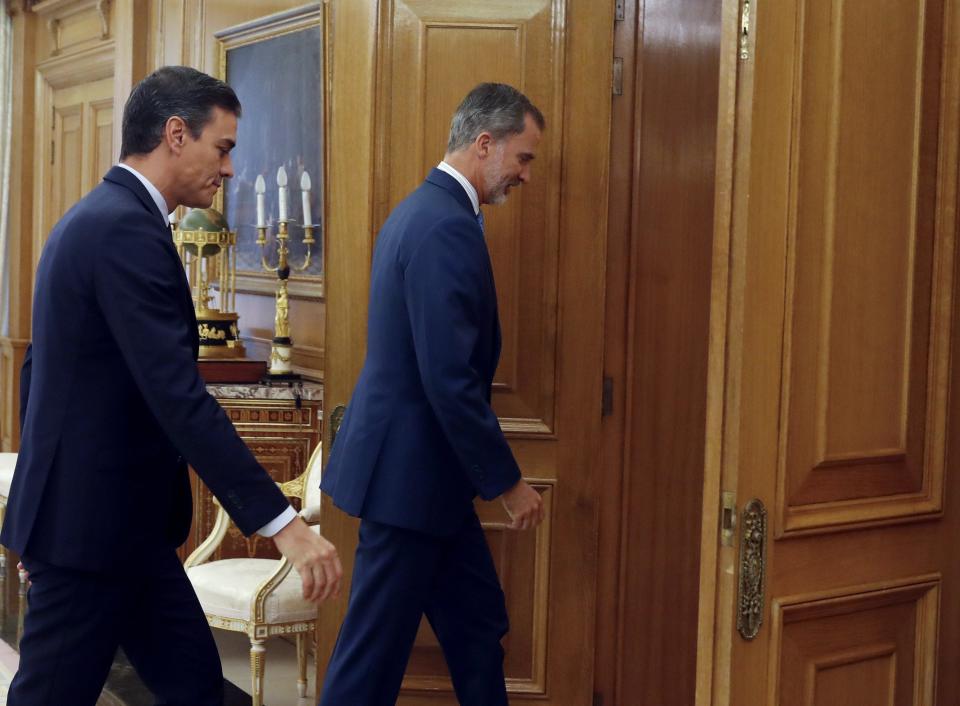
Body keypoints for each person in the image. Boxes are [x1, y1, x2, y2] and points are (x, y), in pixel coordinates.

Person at [1, 66, 342, 705]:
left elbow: (39, 376)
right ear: (176, 134)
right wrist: (284, 525)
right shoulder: (123, 230)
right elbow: (178, 398)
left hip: (120, 532)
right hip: (91, 539)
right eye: (225, 147)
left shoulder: (100, 218)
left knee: (196, 691)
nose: (231, 168)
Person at [318, 83, 546, 706]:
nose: (525, 175)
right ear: (484, 143)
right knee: (369, 662)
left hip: (427, 484)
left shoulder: (429, 212)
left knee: (478, 629)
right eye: (522, 158)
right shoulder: (443, 225)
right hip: (409, 485)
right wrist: (506, 481)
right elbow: (447, 378)